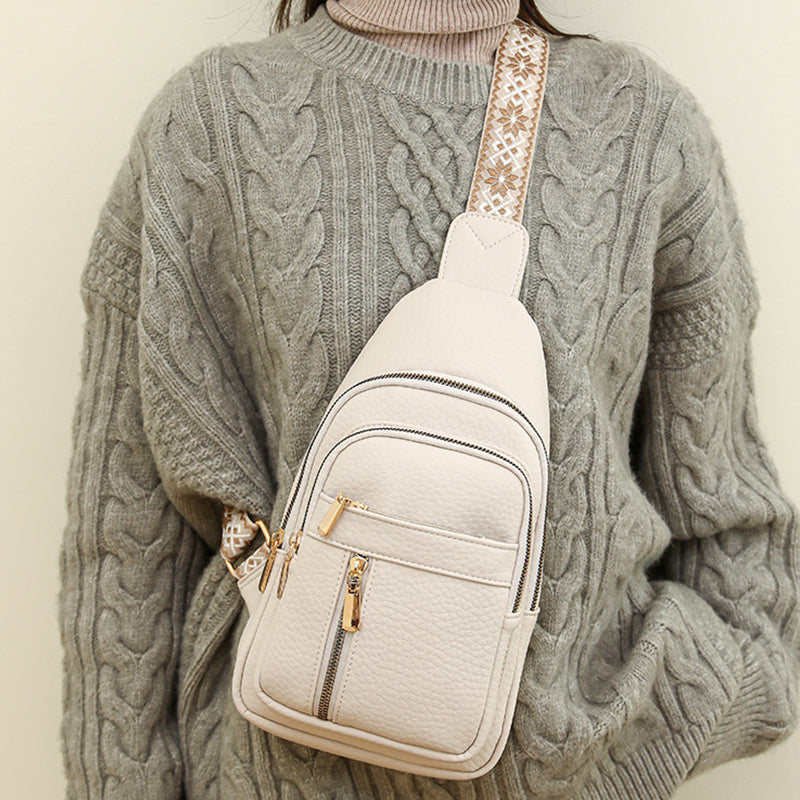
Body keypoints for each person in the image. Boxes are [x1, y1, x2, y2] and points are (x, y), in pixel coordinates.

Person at [58, 1, 800, 798]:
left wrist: (646, 718)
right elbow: (127, 544)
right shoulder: (207, 125)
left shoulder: (645, 126)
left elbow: (729, 522)